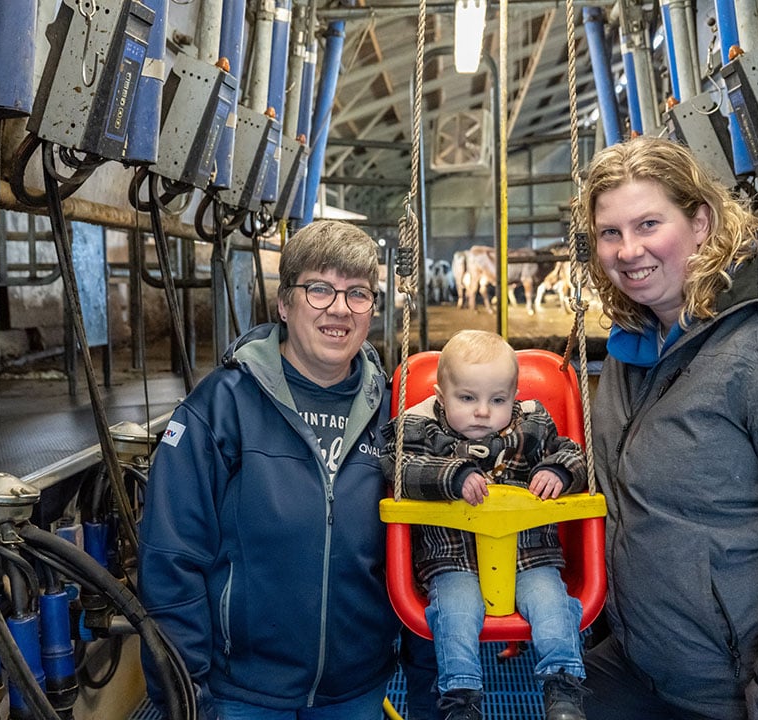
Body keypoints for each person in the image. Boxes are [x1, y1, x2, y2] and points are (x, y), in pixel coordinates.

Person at [578, 136, 758, 720]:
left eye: (647, 224)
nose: (628, 249)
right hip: (643, 662)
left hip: (736, 693)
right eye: (610, 233)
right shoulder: (632, 347)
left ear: (701, 221)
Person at [137, 220, 401, 719]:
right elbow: (171, 557)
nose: (339, 309)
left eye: (358, 294)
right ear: (284, 303)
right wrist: (185, 693)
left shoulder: (394, 412)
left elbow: (422, 550)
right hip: (242, 692)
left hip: (357, 687)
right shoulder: (220, 408)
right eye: (319, 289)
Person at [381, 329, 590, 720]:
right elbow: (399, 468)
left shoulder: (531, 426)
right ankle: (461, 696)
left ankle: (563, 686)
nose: (483, 411)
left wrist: (559, 472)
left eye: (498, 400)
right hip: (452, 561)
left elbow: (577, 456)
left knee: (553, 605)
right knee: (455, 613)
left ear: (514, 397)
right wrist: (453, 476)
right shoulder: (422, 429)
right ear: (442, 397)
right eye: (467, 398)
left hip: (529, 557)